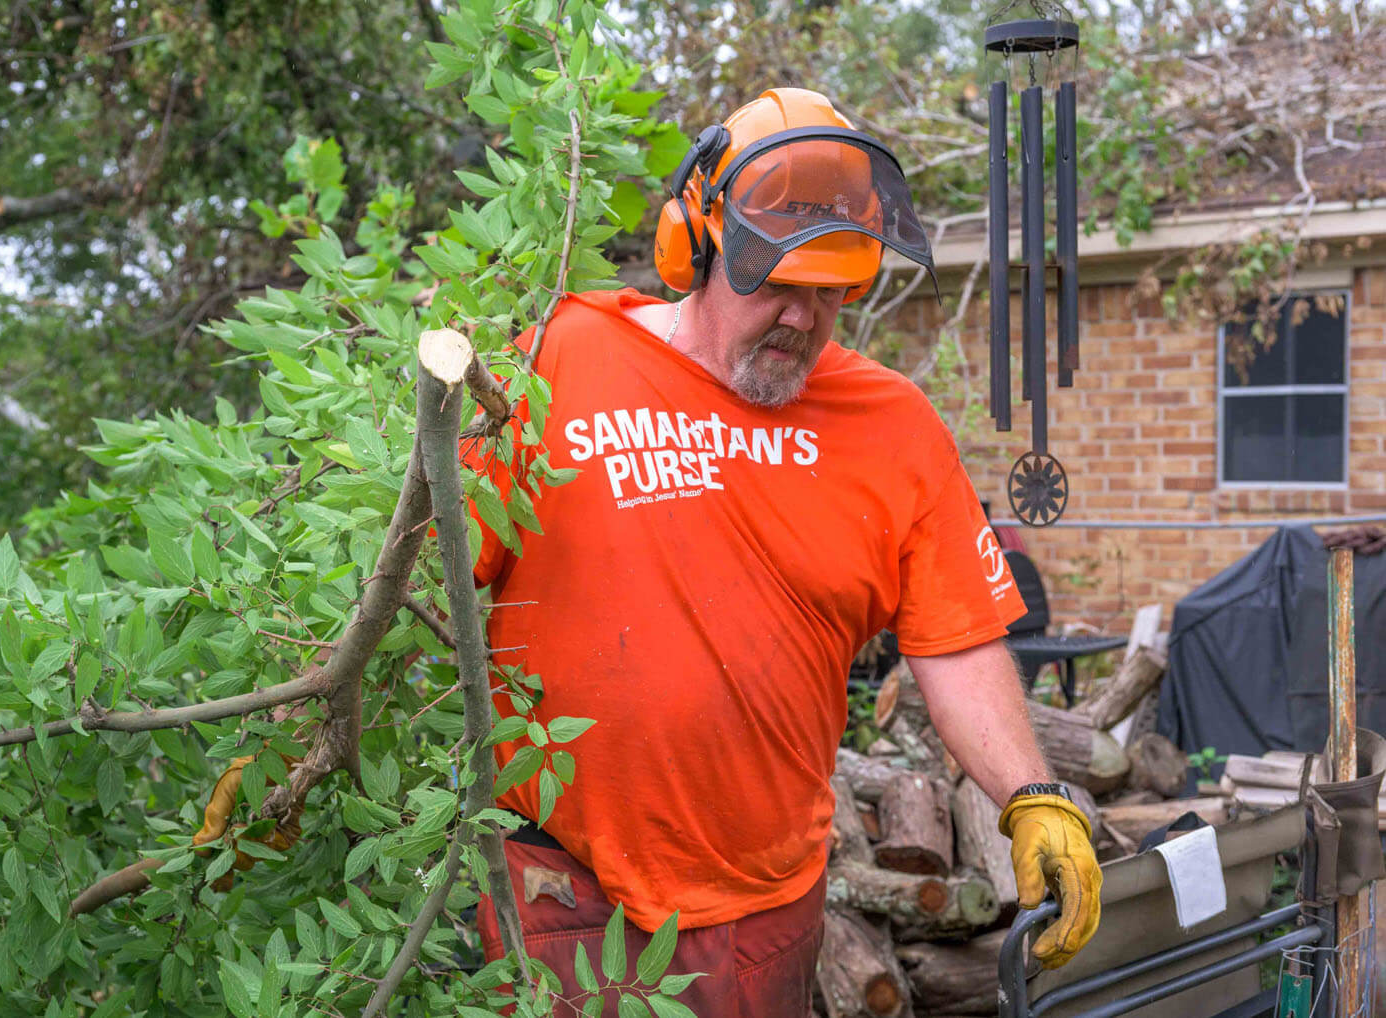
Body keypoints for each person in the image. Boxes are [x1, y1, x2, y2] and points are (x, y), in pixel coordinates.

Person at [469, 88, 1101, 1017]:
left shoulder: (891, 425)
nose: (801, 320)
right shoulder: (558, 365)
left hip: (769, 902)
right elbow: (414, 576)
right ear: (697, 246)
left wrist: (1030, 793)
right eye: (773, 284)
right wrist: (285, 759)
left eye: (828, 293)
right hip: (564, 887)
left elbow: (955, 641)